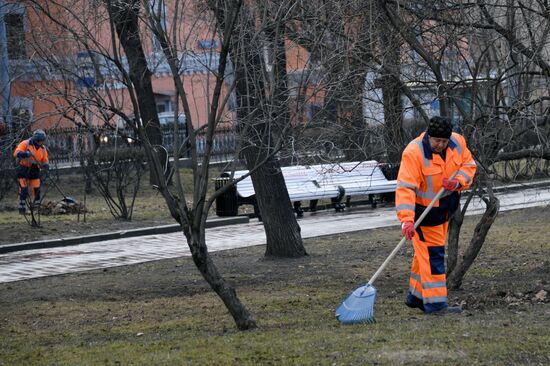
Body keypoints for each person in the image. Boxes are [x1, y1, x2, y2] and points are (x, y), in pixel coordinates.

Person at [395, 116, 477, 314]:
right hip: (423, 216)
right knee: (433, 256)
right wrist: (406, 220)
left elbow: (469, 166)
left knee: (423, 255)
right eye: (437, 141)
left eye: (444, 141)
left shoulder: (457, 142)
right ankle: (436, 305)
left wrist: (457, 181)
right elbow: (405, 189)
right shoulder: (414, 153)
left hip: (444, 211)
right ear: (428, 136)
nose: (441, 145)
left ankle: (415, 296)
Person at [13, 129, 50, 214]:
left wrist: (46, 167)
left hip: (35, 170)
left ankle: (36, 209)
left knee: (37, 190)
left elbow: (45, 160)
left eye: (43, 140)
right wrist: (26, 154)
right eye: (40, 140)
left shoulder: (43, 149)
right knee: (24, 190)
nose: (42, 142)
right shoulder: (25, 143)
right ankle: (22, 209)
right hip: (24, 169)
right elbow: (16, 153)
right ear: (36, 140)